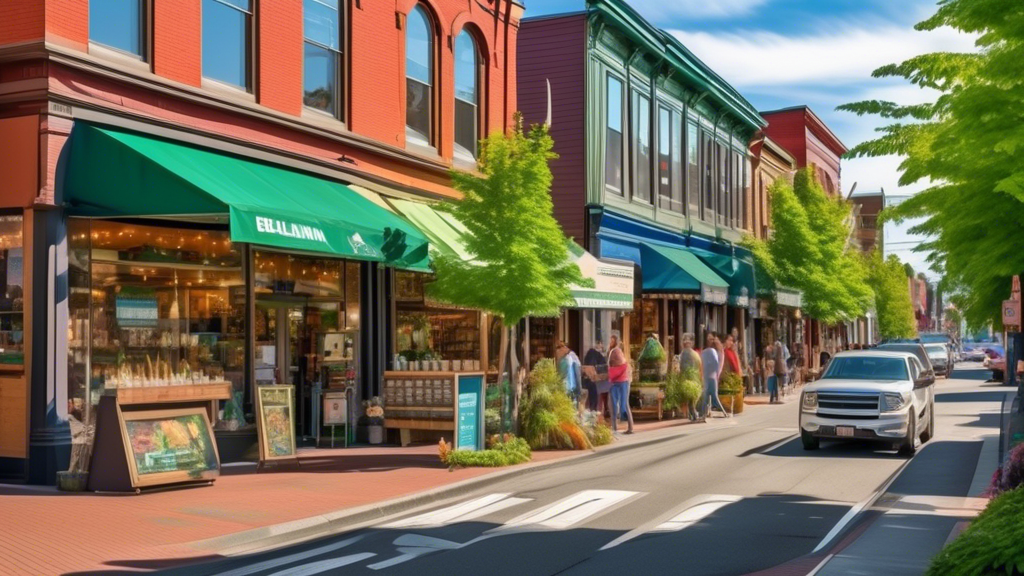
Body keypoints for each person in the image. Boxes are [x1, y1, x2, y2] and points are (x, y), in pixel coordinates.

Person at [607, 334, 634, 434]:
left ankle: (617, 428)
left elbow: (622, 364)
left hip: (620, 381)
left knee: (618, 404)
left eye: (612, 340)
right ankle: (620, 427)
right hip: (619, 380)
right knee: (619, 404)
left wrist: (612, 371)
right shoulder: (613, 351)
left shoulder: (616, 351)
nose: (610, 342)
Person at [700, 332, 729, 418]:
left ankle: (723, 412)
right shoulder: (707, 351)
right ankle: (705, 413)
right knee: (706, 396)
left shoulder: (716, 351)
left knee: (713, 396)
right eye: (708, 338)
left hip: (712, 377)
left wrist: (717, 375)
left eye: (711, 339)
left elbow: (717, 365)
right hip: (707, 376)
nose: (710, 340)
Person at [678, 332, 704, 422]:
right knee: (692, 398)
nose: (686, 343)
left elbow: (683, 367)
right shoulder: (693, 354)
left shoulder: (686, 354)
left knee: (691, 398)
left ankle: (693, 414)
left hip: (690, 378)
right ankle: (693, 414)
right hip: (693, 378)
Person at [582, 340, 609, 413]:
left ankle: (593, 411)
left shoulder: (591, 353)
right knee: (595, 397)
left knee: (592, 398)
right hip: (594, 380)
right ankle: (594, 411)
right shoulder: (595, 354)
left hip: (590, 379)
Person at [556, 341, 582, 408]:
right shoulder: (566, 359)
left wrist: (579, 391)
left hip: (568, 389)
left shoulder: (568, 359)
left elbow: (577, 373)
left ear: (563, 348)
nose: (557, 354)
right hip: (569, 388)